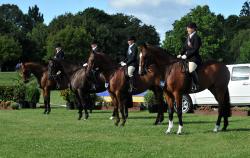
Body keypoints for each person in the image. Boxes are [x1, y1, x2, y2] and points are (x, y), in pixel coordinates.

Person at [177, 22, 202, 91]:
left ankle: (196, 85)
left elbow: (195, 49)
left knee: (190, 70)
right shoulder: (188, 37)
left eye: (189, 28)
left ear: (193, 29)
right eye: (187, 28)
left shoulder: (197, 37)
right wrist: (181, 54)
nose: (187, 29)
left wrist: (186, 55)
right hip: (187, 58)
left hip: (194, 58)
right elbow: (184, 48)